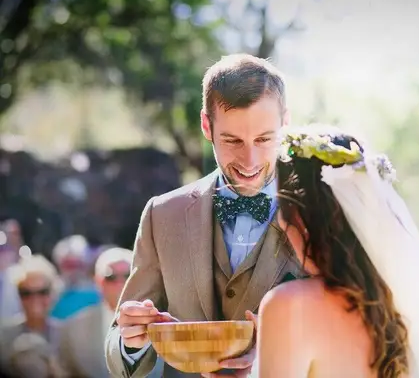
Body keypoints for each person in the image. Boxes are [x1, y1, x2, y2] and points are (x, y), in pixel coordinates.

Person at [104, 54, 306, 378]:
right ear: (206, 125)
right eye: (232, 140)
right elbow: (119, 350)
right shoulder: (162, 215)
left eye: (264, 139)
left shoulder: (321, 215)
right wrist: (131, 340)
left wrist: (273, 352)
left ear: (285, 124)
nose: (249, 160)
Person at [254, 125, 419, 377]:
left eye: (281, 205)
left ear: (301, 215)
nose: (279, 219)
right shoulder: (401, 303)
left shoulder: (291, 307)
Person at [59, 247, 164, 377]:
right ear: (97, 281)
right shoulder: (74, 327)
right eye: (111, 277)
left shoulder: (160, 321)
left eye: (127, 276)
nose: (120, 283)